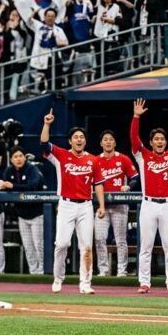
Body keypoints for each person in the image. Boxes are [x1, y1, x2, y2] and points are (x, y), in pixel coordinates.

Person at [41, 108, 106, 295]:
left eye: (82, 137)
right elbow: (44, 144)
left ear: (85, 141)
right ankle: (57, 279)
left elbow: (99, 184)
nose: (79, 139)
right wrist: (47, 124)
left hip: (86, 205)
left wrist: (101, 205)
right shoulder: (61, 155)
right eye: (75, 137)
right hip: (67, 204)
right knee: (61, 244)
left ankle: (85, 284)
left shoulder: (93, 160)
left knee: (86, 246)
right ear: (70, 141)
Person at [131, 97, 168, 294]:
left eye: (162, 139)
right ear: (151, 142)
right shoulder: (143, 155)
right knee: (145, 247)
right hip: (148, 205)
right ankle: (144, 282)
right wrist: (136, 117)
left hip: (167, 205)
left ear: (165, 141)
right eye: (156, 139)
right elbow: (133, 138)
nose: (159, 141)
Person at [94, 130, 138, 278]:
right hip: (102, 205)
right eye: (105, 139)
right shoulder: (96, 160)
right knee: (99, 237)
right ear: (101, 143)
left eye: (111, 139)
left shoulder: (123, 159)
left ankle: (121, 270)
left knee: (120, 239)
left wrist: (129, 186)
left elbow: (135, 177)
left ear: (115, 143)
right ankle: (103, 270)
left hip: (120, 205)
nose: (108, 142)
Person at [2, 146, 45, 274]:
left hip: (37, 214)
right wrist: (4, 185)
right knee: (28, 246)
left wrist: (13, 186)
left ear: (24, 157)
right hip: (22, 215)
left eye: (21, 156)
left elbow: (32, 186)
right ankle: (33, 271)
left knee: (39, 245)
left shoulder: (32, 168)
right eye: (15, 157)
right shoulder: (9, 170)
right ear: (11, 159)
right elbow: (4, 184)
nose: (19, 159)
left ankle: (43, 270)